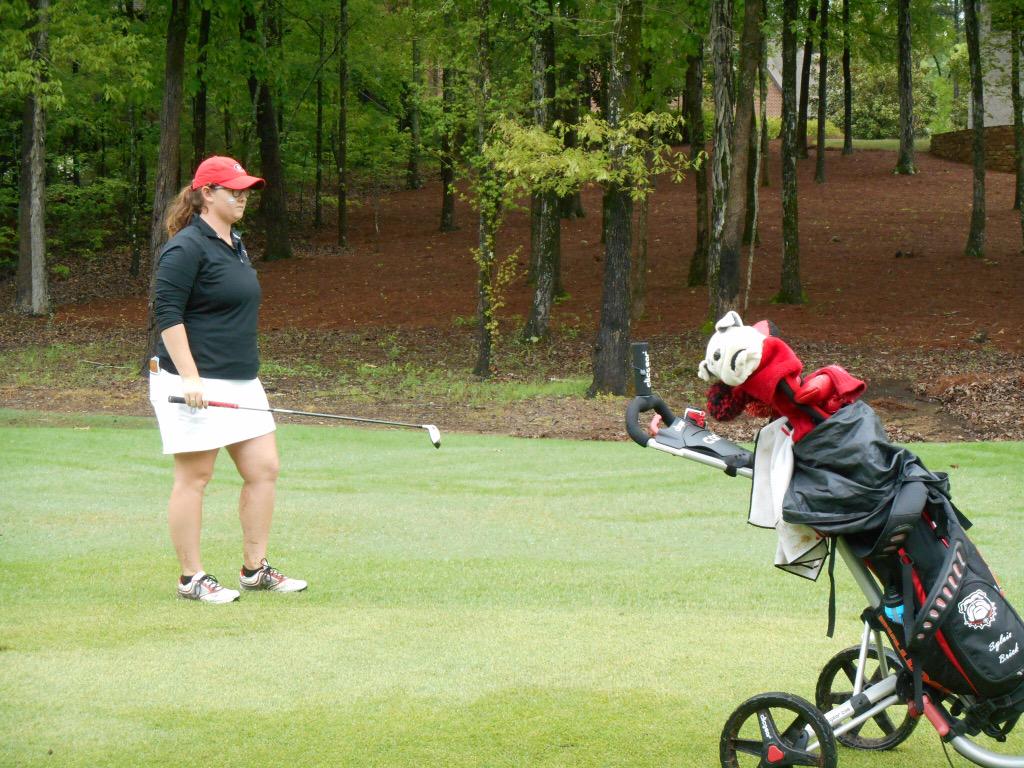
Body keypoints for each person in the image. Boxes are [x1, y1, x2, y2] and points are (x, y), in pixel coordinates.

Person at [148, 156, 307, 603]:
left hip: (240, 378)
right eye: (232, 190)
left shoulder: (233, 241)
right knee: (195, 476)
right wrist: (191, 379)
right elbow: (168, 314)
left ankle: (255, 569)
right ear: (206, 194)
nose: (241, 197)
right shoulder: (186, 247)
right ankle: (191, 578)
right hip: (192, 381)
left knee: (264, 469)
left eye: (245, 190)